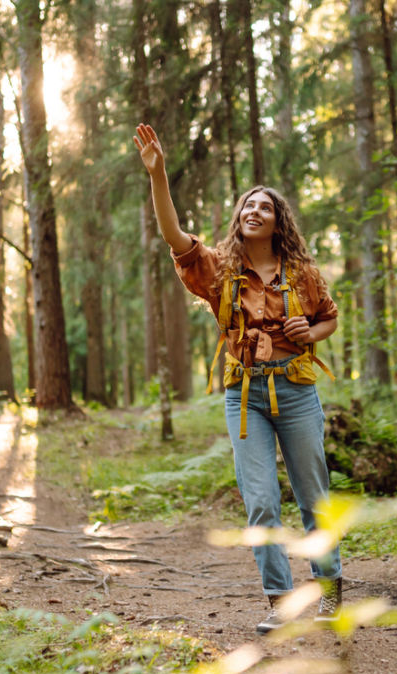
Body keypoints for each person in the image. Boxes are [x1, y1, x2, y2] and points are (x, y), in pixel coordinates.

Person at [133, 123, 343, 635]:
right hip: (244, 394)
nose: (254, 211)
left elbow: (331, 317)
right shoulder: (219, 269)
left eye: (264, 207)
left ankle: (331, 590)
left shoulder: (304, 274)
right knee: (262, 501)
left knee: (313, 494)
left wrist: (311, 331)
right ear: (239, 218)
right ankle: (280, 601)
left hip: (296, 392)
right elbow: (173, 236)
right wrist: (158, 176)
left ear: (278, 222)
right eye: (248, 205)